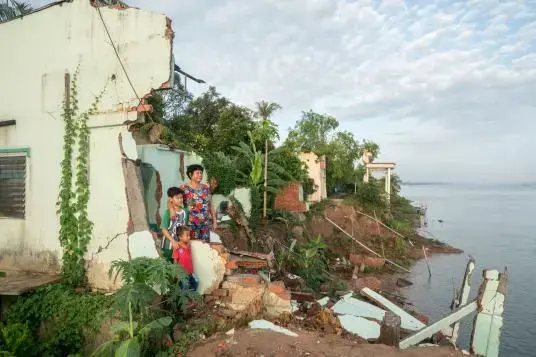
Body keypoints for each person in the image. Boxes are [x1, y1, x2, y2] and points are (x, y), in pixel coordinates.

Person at [180, 164, 217, 242]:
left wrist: (214, 221)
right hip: (190, 225)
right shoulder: (184, 188)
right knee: (192, 248)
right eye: (197, 173)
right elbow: (175, 203)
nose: (200, 175)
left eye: (201, 173)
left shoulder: (206, 188)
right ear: (190, 174)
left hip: (205, 225)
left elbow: (210, 205)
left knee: (205, 247)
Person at [160, 187, 188, 262]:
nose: (180, 200)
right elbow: (164, 229)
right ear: (171, 199)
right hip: (168, 245)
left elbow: (184, 227)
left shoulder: (185, 212)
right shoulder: (167, 213)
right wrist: (172, 241)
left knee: (179, 265)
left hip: (180, 245)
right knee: (168, 265)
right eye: (177, 198)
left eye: (181, 197)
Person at [173, 226, 198, 291]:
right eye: (187, 235)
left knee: (196, 283)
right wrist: (176, 273)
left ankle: (191, 298)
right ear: (180, 237)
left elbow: (191, 240)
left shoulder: (188, 245)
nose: (189, 237)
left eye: (189, 235)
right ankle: (183, 300)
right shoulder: (177, 247)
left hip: (190, 272)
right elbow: (175, 261)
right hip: (182, 274)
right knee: (184, 286)